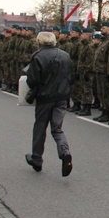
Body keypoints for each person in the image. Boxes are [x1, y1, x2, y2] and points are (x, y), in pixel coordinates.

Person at [25, 31, 74, 177]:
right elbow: (72, 77)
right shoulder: (65, 55)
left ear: (39, 42)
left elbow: (32, 80)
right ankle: (65, 152)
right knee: (57, 128)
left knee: (40, 126)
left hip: (45, 98)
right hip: (62, 97)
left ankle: (37, 158)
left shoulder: (38, 56)